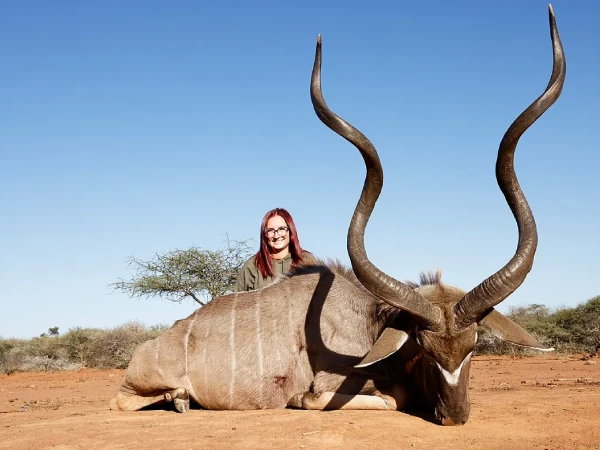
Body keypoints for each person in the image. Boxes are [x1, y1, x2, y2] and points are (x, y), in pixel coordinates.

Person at [235, 208, 316, 292]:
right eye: (270, 230)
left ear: (290, 230)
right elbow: (238, 298)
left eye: (281, 229)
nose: (276, 236)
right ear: (264, 234)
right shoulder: (252, 265)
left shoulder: (307, 261)